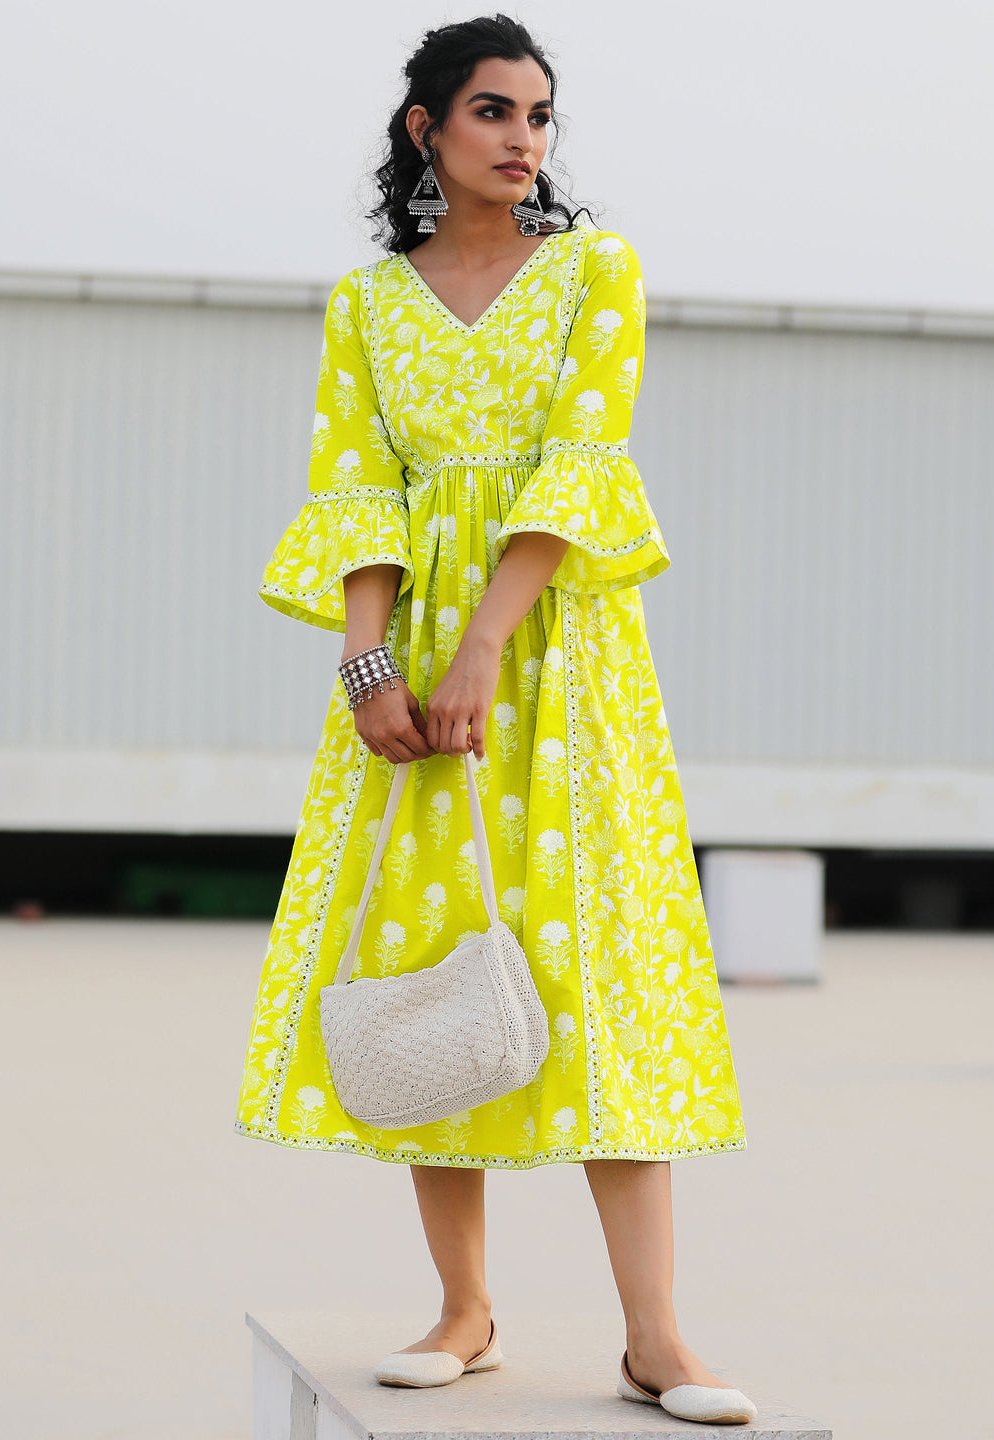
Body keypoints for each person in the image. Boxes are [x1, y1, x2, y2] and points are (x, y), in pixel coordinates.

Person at [236, 14, 755, 1426]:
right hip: (411, 676)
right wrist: (370, 668)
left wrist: (481, 648)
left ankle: (657, 1341)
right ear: (427, 127)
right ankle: (464, 1313)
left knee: (598, 974)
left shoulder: (594, 271)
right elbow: (356, 490)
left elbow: (586, 463)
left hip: (560, 664)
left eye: (540, 115)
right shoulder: (367, 303)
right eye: (492, 111)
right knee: (433, 963)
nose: (524, 139)